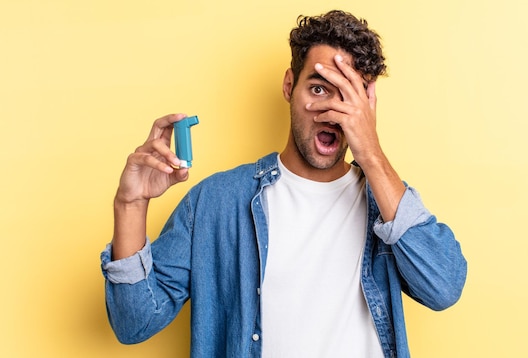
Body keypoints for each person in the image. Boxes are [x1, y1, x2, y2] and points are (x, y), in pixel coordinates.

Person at [101, 9, 467, 358]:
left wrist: (370, 153)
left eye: (348, 95)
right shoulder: (215, 203)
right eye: (320, 89)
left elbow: (444, 288)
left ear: (368, 106)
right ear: (289, 85)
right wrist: (130, 206)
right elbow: (135, 323)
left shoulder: (386, 205)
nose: (332, 113)